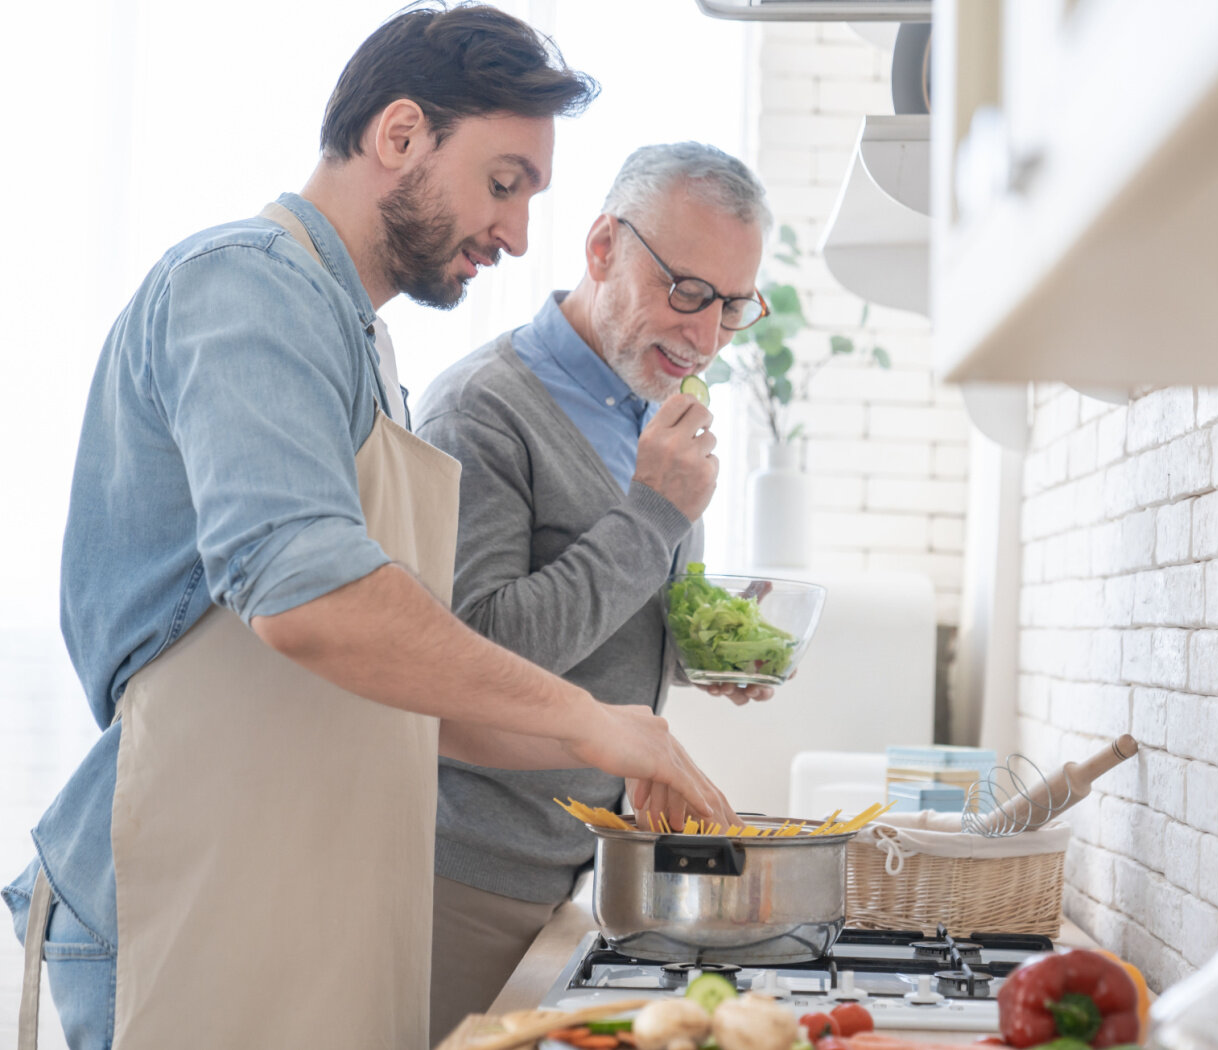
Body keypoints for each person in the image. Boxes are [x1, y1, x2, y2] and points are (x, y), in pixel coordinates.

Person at [2, 10, 734, 1050]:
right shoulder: (245, 285)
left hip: (298, 888)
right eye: (504, 181)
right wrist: (586, 719)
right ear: (399, 135)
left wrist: (626, 747)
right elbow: (313, 600)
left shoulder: (358, 340)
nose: (520, 235)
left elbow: (428, 696)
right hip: (191, 884)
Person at [414, 142, 775, 1041]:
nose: (704, 337)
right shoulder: (483, 411)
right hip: (471, 878)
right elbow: (476, 653)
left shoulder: (646, 404)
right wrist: (655, 513)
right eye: (687, 291)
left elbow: (605, 618)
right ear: (604, 247)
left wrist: (704, 655)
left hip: (587, 871)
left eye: (731, 308)